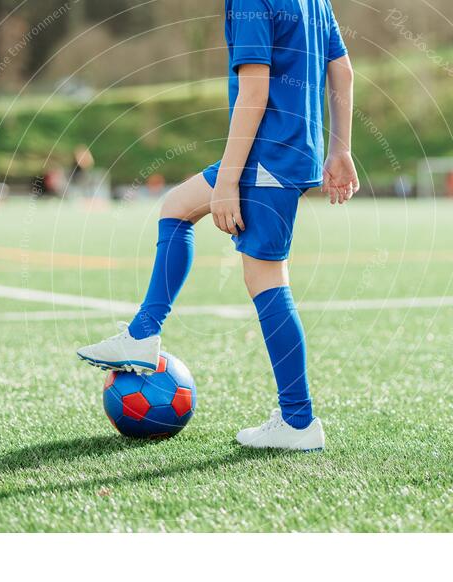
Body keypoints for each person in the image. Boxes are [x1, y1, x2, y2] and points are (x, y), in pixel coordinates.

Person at [77, 0, 357, 451]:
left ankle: (299, 421)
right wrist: (340, 147)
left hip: (268, 157)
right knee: (176, 207)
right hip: (287, 152)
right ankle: (143, 334)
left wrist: (229, 179)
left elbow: (255, 91)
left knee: (265, 277)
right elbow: (341, 67)